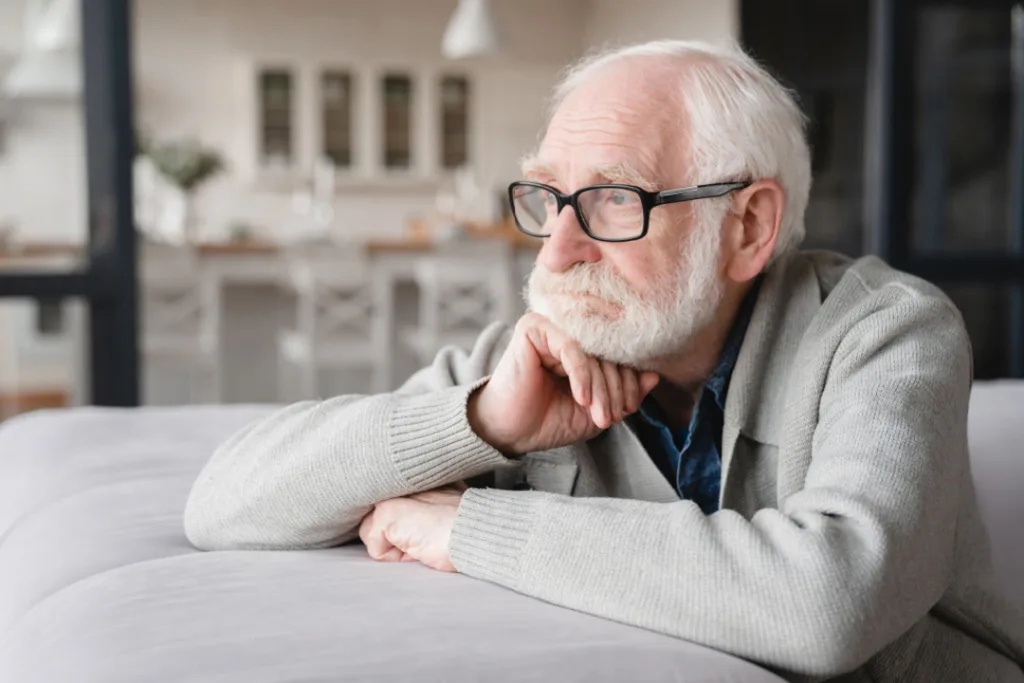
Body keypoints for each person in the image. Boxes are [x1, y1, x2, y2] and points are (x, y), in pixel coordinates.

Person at [185, 40, 1024, 681]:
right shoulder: (545, 353)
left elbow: (829, 604)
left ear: (747, 227)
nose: (557, 251)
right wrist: (481, 419)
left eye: (615, 199)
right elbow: (221, 504)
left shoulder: (888, 332)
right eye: (549, 198)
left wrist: (469, 527)